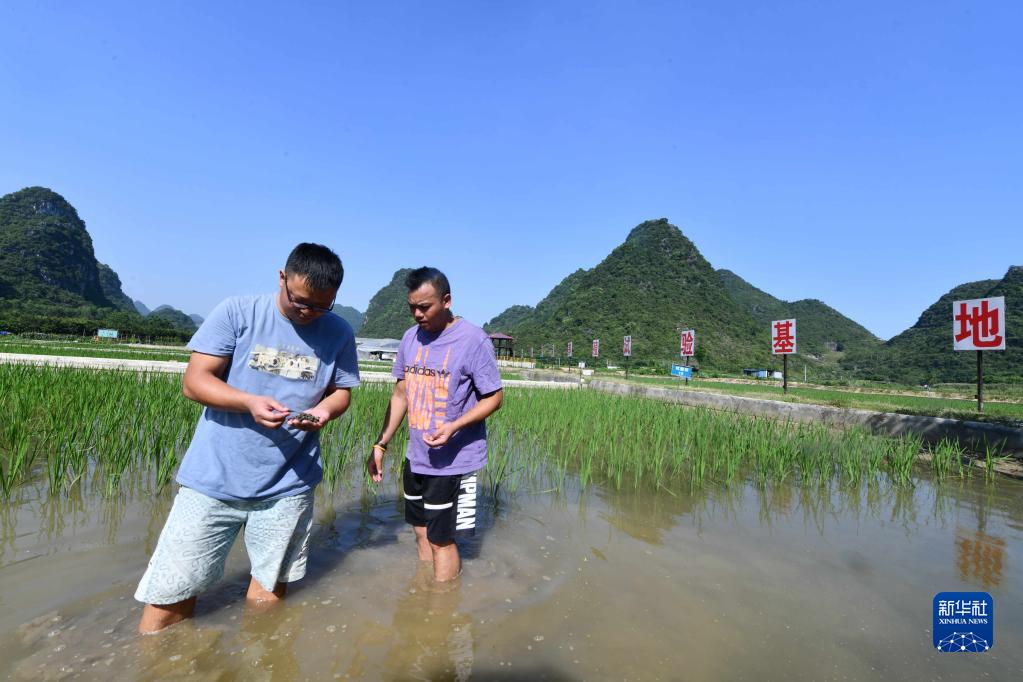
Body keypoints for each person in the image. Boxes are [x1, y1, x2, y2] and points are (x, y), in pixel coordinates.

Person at [135, 243, 360, 634]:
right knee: (170, 594)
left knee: (268, 596)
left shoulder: (339, 331)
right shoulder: (238, 313)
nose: (309, 313)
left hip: (289, 484)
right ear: (282, 279)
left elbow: (341, 391)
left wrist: (325, 411)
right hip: (213, 479)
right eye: (300, 301)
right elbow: (195, 381)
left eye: (321, 306)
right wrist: (248, 402)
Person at [367, 267, 503, 581]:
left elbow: (494, 398)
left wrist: (454, 427)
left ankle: (442, 611)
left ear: (447, 300)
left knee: (442, 539)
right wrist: (380, 444)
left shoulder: (473, 340)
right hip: (416, 457)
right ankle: (423, 596)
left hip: (453, 461)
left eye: (424, 307)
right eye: (412, 307)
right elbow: (401, 393)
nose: (417, 314)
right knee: (420, 531)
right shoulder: (409, 338)